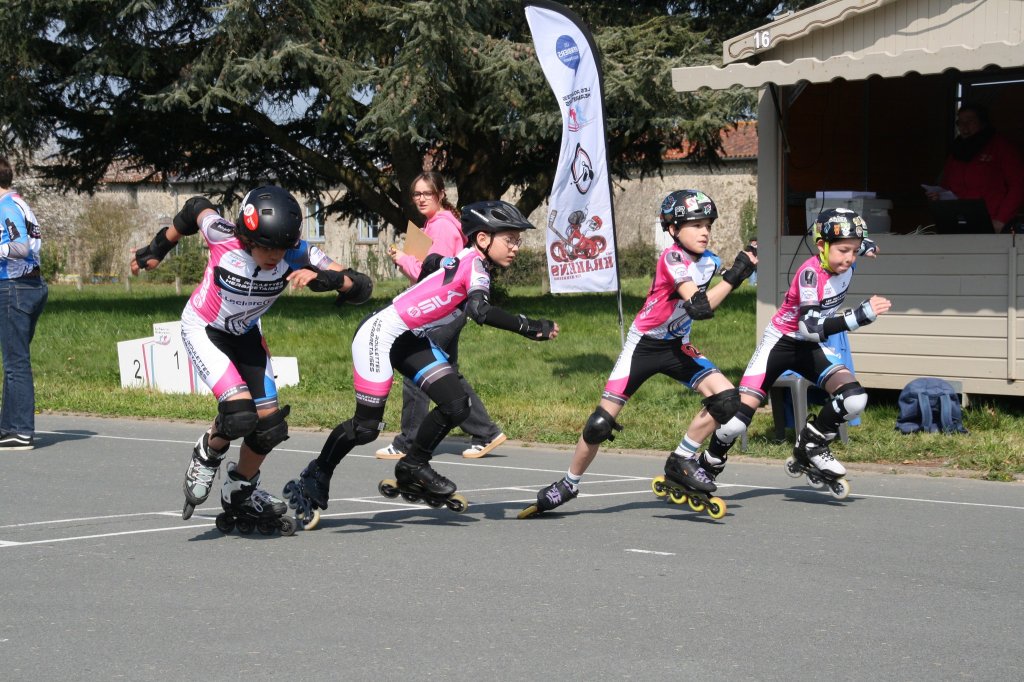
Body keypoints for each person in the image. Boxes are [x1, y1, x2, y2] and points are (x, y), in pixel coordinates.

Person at [283, 200, 559, 528]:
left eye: (518, 240)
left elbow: (431, 262)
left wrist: (433, 273)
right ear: (483, 239)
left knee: (456, 404)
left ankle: (413, 465)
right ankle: (315, 474)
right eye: (510, 239)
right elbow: (480, 311)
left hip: (410, 338)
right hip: (380, 333)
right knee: (366, 427)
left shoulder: (463, 259)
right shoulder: (475, 265)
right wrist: (530, 327)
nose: (516, 247)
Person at [130, 185, 373, 529]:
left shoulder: (298, 252)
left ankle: (240, 490)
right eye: (266, 247)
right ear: (247, 238)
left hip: (246, 335)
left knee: (271, 428)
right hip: (204, 329)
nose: (275, 256)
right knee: (239, 416)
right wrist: (158, 248)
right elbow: (196, 206)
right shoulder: (222, 235)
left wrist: (329, 279)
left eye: (281, 249)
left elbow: (361, 286)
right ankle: (208, 451)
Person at [524, 190, 757, 516]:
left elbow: (716, 281)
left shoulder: (711, 260)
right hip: (644, 345)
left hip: (677, 345)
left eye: (708, 225)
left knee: (728, 400)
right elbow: (700, 307)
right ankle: (568, 483)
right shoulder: (671, 259)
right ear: (673, 229)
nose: (704, 231)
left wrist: (747, 261)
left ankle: (681, 459)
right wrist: (735, 276)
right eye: (695, 225)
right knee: (600, 423)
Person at [697, 208, 889, 497]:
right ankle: (707, 464)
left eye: (854, 251)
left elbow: (853, 244)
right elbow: (810, 327)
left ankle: (811, 443)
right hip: (780, 344)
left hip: (807, 348)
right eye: (843, 251)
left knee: (854, 399)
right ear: (822, 246)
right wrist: (859, 316)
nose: (849, 258)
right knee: (736, 421)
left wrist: (866, 245)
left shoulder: (843, 253)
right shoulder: (810, 275)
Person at [376, 172, 506, 460]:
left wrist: (403, 259)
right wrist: (407, 261)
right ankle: (486, 432)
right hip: (447, 309)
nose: (421, 199)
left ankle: (407, 442)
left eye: (427, 193)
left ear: (441, 194)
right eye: (417, 194)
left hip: (442, 310)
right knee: (447, 373)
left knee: (417, 368)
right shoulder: (433, 224)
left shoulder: (444, 227)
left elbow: (437, 277)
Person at [0, 156, 48, 451]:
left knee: (15, 362)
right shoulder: (19, 202)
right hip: (31, 285)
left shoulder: (4, 206)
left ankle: (20, 431)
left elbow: (20, 247)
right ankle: (8, 428)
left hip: (14, 286)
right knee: (12, 359)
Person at [927, 103, 1024, 233]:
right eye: (960, 122)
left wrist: (1001, 220)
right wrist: (938, 196)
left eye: (970, 121)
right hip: (958, 220)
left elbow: (1018, 186)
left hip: (992, 221)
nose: (964, 126)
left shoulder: (1001, 147)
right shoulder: (956, 151)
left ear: (982, 122)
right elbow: (946, 186)